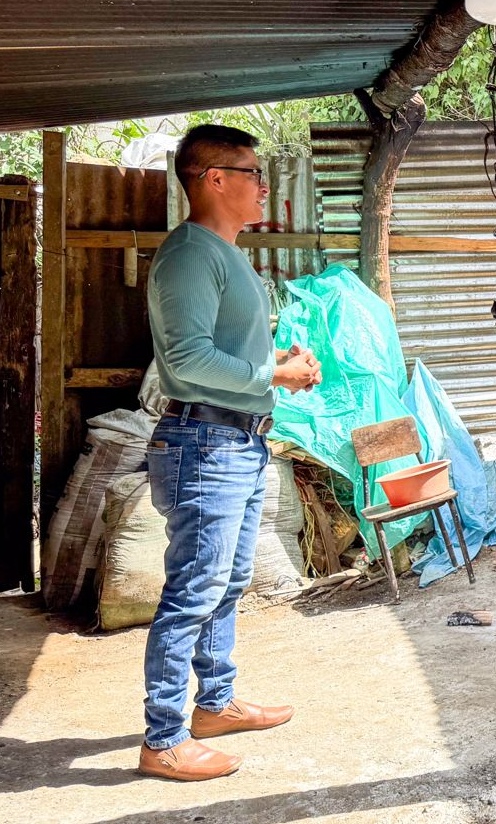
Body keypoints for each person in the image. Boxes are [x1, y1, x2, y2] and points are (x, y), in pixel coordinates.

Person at [140, 125, 321, 781]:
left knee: (224, 583)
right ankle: (163, 739)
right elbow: (186, 359)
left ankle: (213, 705)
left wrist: (282, 361)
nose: (263, 184)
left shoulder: (225, 253)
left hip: (235, 439)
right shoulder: (190, 254)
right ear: (213, 178)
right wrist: (276, 376)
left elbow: (226, 352)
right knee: (193, 591)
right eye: (251, 171)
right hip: (204, 442)